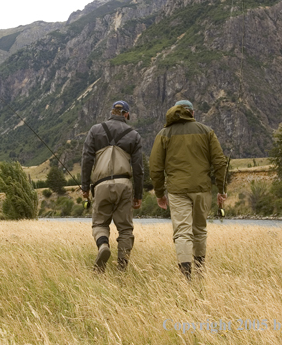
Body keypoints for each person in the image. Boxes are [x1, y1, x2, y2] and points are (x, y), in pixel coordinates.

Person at [149, 100, 228, 279]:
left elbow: (155, 166)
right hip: (202, 189)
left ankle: (186, 276)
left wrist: (160, 193)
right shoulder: (207, 131)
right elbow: (220, 163)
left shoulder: (164, 134)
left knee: (182, 232)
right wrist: (221, 190)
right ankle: (200, 272)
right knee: (199, 230)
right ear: (192, 113)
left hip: (177, 190)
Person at [81, 100, 143, 272]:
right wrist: (138, 195)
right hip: (124, 185)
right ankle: (122, 268)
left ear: (111, 112)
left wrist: (85, 187)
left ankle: (103, 246)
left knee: (100, 223)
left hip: (101, 185)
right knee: (125, 229)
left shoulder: (95, 130)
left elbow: (87, 159)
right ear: (126, 114)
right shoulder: (134, 135)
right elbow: (138, 169)